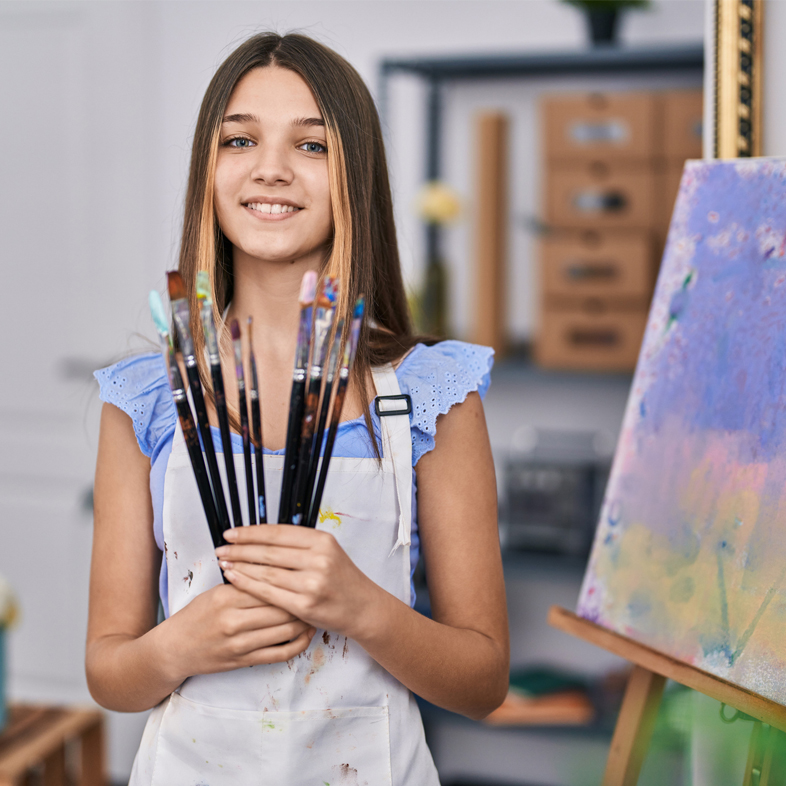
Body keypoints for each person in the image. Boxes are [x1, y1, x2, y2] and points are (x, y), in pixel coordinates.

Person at [87, 32, 508, 785]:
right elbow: (109, 673)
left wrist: (360, 608)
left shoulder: (430, 394)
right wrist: (174, 648)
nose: (271, 168)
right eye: (239, 139)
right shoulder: (145, 400)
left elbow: (482, 683)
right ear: (207, 171)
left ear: (357, 174)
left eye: (311, 145)